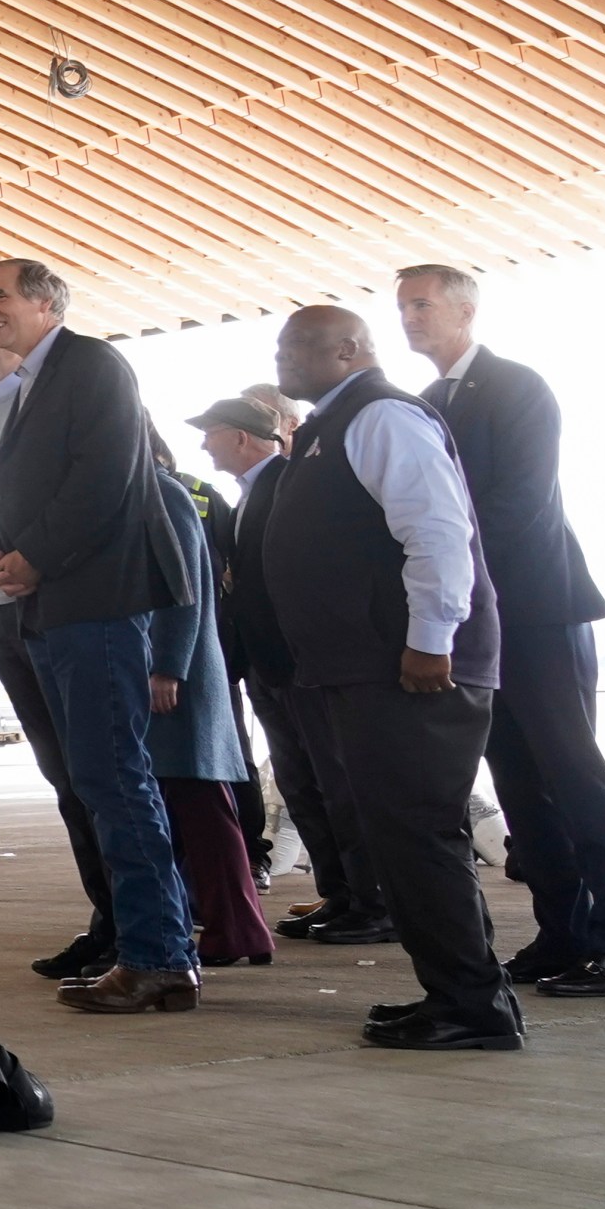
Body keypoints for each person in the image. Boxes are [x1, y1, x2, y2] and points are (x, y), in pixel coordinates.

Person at [260, 303, 522, 1049]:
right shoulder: (331, 426)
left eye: (299, 347)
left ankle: (472, 1007)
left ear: (349, 349)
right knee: (403, 838)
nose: (284, 361)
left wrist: (431, 639)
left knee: (419, 836)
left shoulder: (381, 418)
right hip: (366, 670)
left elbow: (437, 531)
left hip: (411, 671)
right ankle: (460, 994)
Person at [0, 258, 198, 1015]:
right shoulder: (27, 386)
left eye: (1, 297)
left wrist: (34, 557)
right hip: (52, 609)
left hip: (93, 607)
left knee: (116, 782)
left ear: (45, 304)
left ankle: (158, 955)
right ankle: (148, 948)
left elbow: (102, 480)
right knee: (98, 782)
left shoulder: (90, 365)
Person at [396, 264, 605, 999]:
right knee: (519, 783)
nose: (410, 317)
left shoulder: (516, 386)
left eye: (422, 304)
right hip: (478, 620)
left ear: (465, 310)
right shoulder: (426, 402)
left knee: (574, 776)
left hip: (535, 609)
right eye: (403, 307)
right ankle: (566, 935)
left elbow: (517, 503)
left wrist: (450, 579)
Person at [0, 293, 117, 977]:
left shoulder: (64, 390)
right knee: (66, 779)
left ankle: (137, 930)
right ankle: (107, 921)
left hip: (56, 602)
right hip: (3, 607)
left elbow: (90, 487)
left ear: (42, 312)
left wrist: (34, 560)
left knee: (100, 778)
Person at [196, 395, 375, 942]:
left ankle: (372, 901)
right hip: (270, 666)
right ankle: (341, 893)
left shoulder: (290, 485)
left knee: (335, 782)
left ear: (243, 438)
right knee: (302, 784)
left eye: (213, 433)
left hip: (300, 664)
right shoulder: (250, 495)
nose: (204, 445)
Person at [149, 459, 275, 966]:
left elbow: (184, 593)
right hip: (165, 678)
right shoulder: (142, 493)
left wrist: (169, 666)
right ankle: (234, 931)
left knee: (205, 811)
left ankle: (239, 931)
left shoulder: (163, 495)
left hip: (175, 683)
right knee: (193, 814)